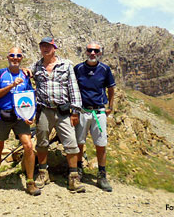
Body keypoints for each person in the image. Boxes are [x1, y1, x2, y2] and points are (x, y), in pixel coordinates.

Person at [0, 47, 41, 196]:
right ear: (7, 57)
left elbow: (29, 96)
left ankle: (30, 181)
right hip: (1, 116)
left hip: (20, 116)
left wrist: (30, 115)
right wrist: (11, 86)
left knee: (28, 146)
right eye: (12, 55)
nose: (15, 58)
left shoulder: (25, 74)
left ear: (21, 58)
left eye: (18, 56)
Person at [31, 37, 85, 193]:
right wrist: (26, 71)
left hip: (63, 111)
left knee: (71, 143)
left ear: (54, 48)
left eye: (48, 46)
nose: (45, 49)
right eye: (42, 46)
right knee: (42, 143)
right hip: (44, 110)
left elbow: (73, 88)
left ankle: (73, 177)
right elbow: (26, 72)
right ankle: (43, 172)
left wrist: (75, 111)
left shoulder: (66, 65)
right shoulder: (36, 66)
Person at [74, 41, 115, 192]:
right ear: (86, 52)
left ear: (100, 53)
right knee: (79, 142)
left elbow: (111, 88)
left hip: (99, 112)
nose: (92, 53)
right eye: (90, 50)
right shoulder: (78, 68)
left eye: (96, 51)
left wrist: (110, 106)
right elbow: (72, 87)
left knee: (101, 144)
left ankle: (102, 176)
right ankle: (78, 171)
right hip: (82, 111)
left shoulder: (105, 69)